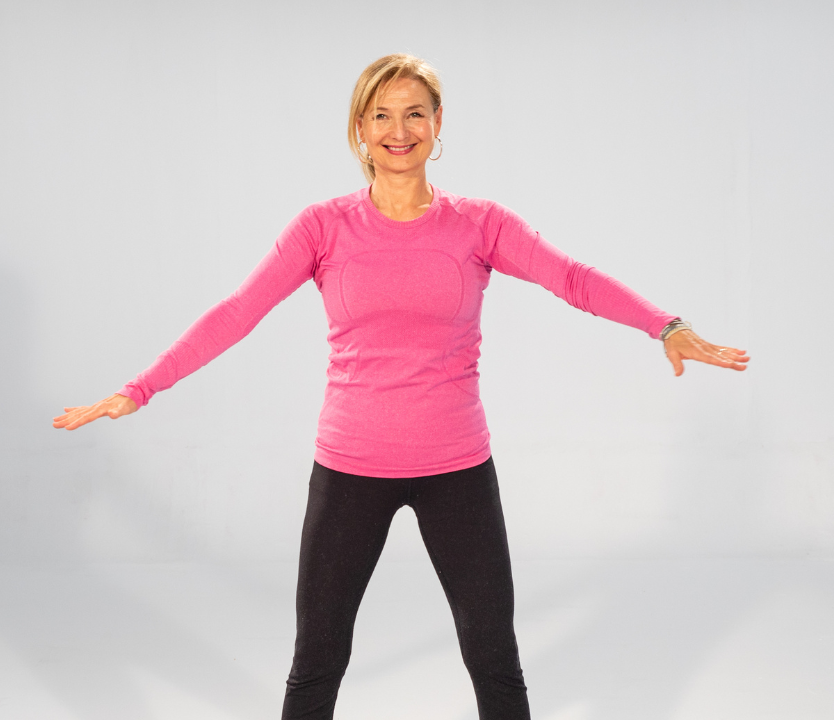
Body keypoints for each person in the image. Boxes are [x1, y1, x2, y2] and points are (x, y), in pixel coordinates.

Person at [54, 53, 749, 720]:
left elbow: (572, 278)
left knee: (494, 658)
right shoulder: (323, 227)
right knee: (318, 659)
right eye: (381, 115)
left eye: (415, 113)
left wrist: (665, 325)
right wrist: (141, 388)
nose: (399, 131)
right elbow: (238, 312)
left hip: (457, 469)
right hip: (350, 470)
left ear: (438, 123)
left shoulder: (479, 224)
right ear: (359, 127)